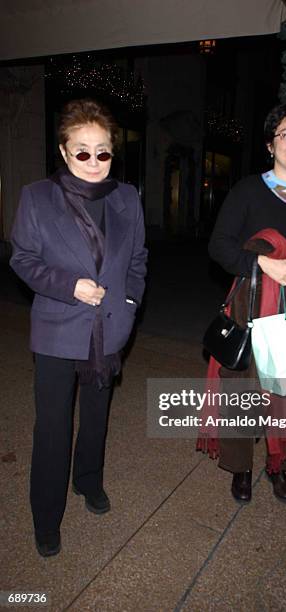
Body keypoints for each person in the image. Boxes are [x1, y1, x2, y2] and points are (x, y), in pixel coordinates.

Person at [10, 98, 147, 557]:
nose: (93, 161)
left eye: (102, 151)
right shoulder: (37, 196)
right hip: (56, 331)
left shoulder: (127, 198)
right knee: (52, 427)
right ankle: (45, 518)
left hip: (108, 330)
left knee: (95, 417)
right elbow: (23, 259)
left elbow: (138, 262)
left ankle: (89, 481)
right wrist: (71, 286)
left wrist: (127, 302)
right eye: (82, 151)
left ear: (113, 153)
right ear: (65, 153)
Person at [202, 102, 286, 504]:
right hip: (253, 303)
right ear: (270, 145)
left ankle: (278, 466)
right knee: (245, 390)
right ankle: (240, 468)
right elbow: (218, 247)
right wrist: (261, 261)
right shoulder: (247, 190)